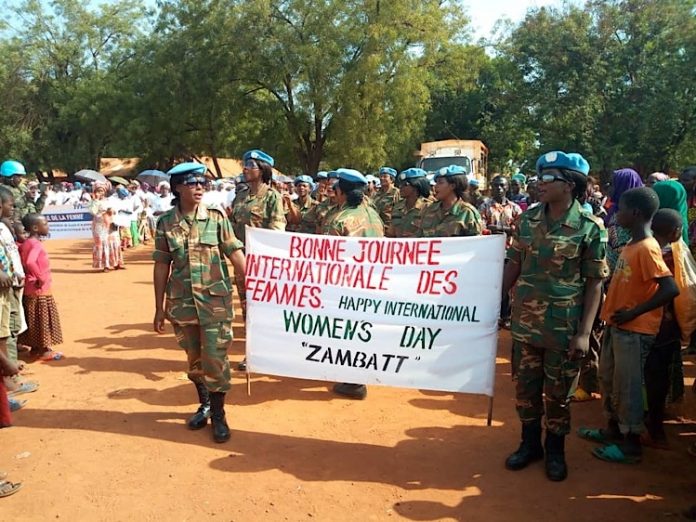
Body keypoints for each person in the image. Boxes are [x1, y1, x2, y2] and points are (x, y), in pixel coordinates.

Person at [502, 151, 608, 482]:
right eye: (539, 178)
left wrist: (583, 333)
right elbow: (513, 266)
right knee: (525, 389)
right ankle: (529, 444)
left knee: (559, 395)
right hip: (524, 326)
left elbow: (594, 285)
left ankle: (556, 452)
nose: (539, 184)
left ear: (569, 184)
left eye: (547, 179)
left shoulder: (590, 228)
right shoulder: (528, 220)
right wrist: (491, 305)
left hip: (564, 328)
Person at [579, 187, 679, 464]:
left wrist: (635, 312)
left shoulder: (647, 248)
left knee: (628, 386)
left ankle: (631, 444)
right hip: (617, 326)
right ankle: (612, 429)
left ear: (635, 213)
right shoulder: (631, 245)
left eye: (620, 209)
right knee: (610, 380)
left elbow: (669, 289)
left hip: (635, 331)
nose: (616, 213)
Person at [153, 162, 247, 443]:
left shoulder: (217, 218)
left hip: (215, 302)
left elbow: (235, 252)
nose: (199, 187)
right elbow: (161, 265)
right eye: (193, 183)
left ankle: (219, 415)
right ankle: (204, 404)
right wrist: (159, 307)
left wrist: (253, 283)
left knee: (215, 359)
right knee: (194, 360)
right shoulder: (165, 222)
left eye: (202, 183)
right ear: (178, 187)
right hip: (182, 303)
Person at [325, 168, 384, 399]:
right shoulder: (373, 214)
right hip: (373, 282)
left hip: (347, 285)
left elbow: (328, 259)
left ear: (341, 192)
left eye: (334, 189)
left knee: (348, 331)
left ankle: (354, 382)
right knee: (363, 330)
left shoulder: (339, 220)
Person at [642, 209, 682, 448]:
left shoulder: (642, 248)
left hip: (642, 324)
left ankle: (650, 425)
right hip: (666, 325)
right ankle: (656, 426)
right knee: (659, 377)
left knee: (647, 376)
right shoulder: (676, 255)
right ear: (676, 232)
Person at [17, 214, 63, 361]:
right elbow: (31, 262)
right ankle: (44, 350)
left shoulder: (26, 243)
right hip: (39, 288)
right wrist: (40, 277)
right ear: (35, 228)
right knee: (42, 317)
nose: (47, 226)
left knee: (33, 317)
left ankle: (35, 348)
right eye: (45, 224)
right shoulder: (35, 244)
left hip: (29, 287)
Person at [479, 175, 523, 328]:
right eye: (495, 185)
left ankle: (507, 315)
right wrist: (507, 230)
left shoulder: (515, 208)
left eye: (502, 185)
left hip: (510, 253)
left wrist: (497, 229)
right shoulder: (485, 206)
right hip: (490, 253)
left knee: (509, 285)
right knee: (491, 285)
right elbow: (482, 228)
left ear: (507, 188)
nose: (498, 188)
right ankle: (493, 315)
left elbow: (518, 231)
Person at [230, 149, 286, 246]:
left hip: (259, 253)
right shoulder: (240, 195)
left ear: (262, 171)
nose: (245, 168)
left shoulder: (272, 196)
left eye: (251, 165)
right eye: (245, 164)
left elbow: (277, 230)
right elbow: (232, 224)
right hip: (239, 253)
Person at [418, 165, 483, 237]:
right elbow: (419, 238)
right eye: (436, 182)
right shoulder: (428, 210)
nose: (435, 186)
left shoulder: (467, 213)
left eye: (440, 182)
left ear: (452, 186)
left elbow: (476, 243)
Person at [605, 168, 644, 273]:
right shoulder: (614, 209)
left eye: (612, 184)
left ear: (624, 185)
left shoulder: (637, 214)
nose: (608, 187)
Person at [389, 168, 430, 238]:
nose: (400, 187)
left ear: (416, 186)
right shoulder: (397, 207)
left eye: (405, 184)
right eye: (400, 184)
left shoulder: (428, 208)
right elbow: (391, 233)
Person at [372, 167, 401, 236]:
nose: (382, 178)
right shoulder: (377, 194)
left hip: (389, 231)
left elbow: (399, 212)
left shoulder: (396, 193)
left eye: (385, 176)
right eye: (381, 176)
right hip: (377, 229)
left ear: (391, 179)